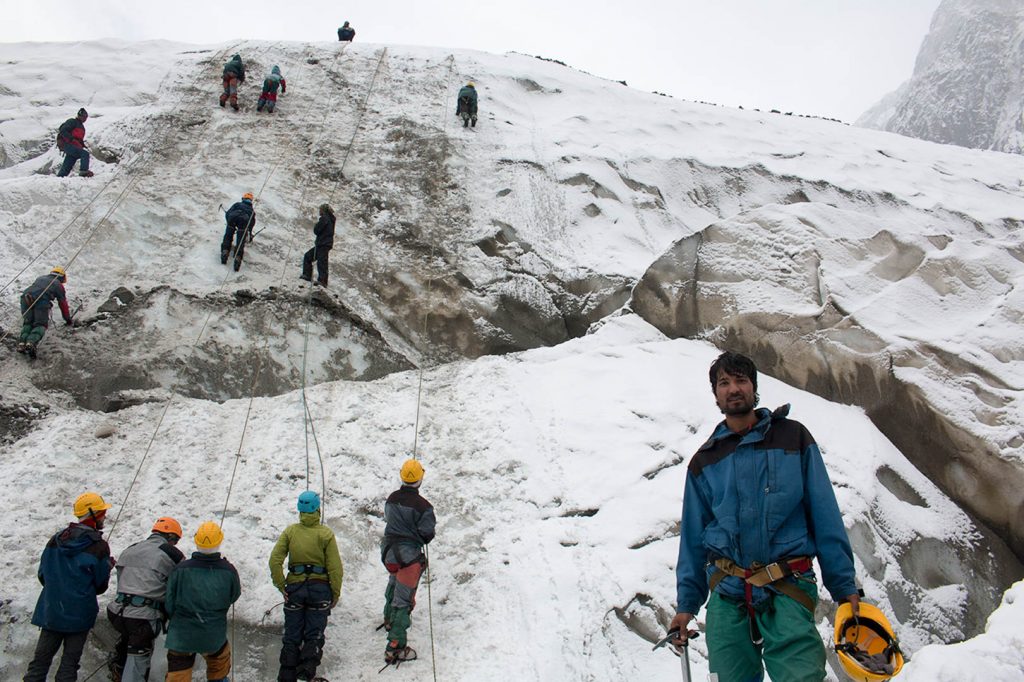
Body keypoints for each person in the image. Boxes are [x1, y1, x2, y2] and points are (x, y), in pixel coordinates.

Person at [670, 351, 860, 682]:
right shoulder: (704, 461)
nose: (733, 389)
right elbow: (694, 539)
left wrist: (843, 585)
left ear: (754, 389)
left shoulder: (793, 438)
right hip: (727, 593)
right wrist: (686, 605)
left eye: (740, 380)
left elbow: (824, 513)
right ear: (715, 394)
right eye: (724, 383)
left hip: (788, 587)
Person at [24, 492, 113, 682]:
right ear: (94, 514)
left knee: (39, 664)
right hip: (79, 616)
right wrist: (106, 568)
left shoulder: (55, 539)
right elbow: (100, 586)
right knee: (68, 667)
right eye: (103, 512)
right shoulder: (99, 547)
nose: (105, 516)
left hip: (52, 611)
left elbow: (43, 574)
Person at [269, 491, 343, 682]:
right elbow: (335, 568)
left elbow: (274, 561)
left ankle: (286, 675)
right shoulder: (325, 534)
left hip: (295, 589)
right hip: (320, 590)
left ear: (300, 510)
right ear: (318, 509)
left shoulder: (290, 532)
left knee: (292, 636)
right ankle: (306, 674)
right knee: (314, 634)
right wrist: (334, 593)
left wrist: (282, 585)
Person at [106, 517, 185, 682]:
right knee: (137, 662)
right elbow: (179, 584)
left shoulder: (131, 548)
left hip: (117, 612)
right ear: (171, 536)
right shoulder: (171, 553)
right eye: (175, 540)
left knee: (127, 641)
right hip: (143, 618)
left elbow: (122, 581)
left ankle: (119, 665)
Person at [164, 521, 241, 682]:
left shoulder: (180, 569)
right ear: (219, 541)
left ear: (196, 541)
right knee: (219, 667)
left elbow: (169, 600)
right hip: (213, 634)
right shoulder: (228, 570)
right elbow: (234, 596)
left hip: (181, 634)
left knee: (178, 674)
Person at [380, 459, 436, 665]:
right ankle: (395, 646)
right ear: (420, 479)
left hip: (388, 552)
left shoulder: (392, 499)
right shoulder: (424, 507)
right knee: (403, 600)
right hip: (409, 555)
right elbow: (427, 534)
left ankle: (388, 619)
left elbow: (388, 518)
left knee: (393, 582)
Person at [17, 266, 73, 359]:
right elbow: (63, 304)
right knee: (40, 325)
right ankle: (31, 342)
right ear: (62, 277)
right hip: (41, 301)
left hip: (25, 298)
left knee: (28, 322)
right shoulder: (58, 285)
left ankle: (22, 343)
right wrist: (68, 320)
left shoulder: (41, 278)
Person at [300, 204, 336, 287]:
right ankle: (320, 279)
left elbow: (317, 230)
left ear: (323, 210)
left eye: (320, 209)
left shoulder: (325, 219)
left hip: (322, 244)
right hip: (325, 244)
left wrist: (317, 225)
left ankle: (317, 279)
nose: (319, 211)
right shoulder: (331, 219)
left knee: (317, 260)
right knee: (316, 259)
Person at [221, 192, 257, 271]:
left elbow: (228, 213)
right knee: (241, 240)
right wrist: (249, 233)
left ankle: (225, 251)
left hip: (233, 217)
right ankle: (238, 258)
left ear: (243, 199)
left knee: (228, 235)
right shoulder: (251, 210)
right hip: (244, 220)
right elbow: (251, 223)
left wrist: (229, 223)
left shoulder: (237, 204)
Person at [56, 108, 94, 177]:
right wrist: (71, 139)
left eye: (86, 117)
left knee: (68, 165)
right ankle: (84, 171)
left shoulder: (81, 126)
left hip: (74, 146)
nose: (85, 119)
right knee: (84, 154)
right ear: (79, 115)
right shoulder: (72, 122)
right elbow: (63, 130)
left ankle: (60, 177)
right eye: (84, 116)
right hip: (69, 144)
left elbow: (78, 138)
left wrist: (82, 144)